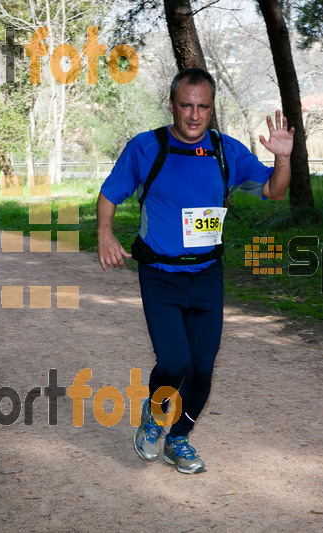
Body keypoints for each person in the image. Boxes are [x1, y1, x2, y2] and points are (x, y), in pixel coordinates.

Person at [96, 67, 293, 474]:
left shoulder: (226, 151)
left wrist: (283, 158)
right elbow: (109, 193)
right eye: (186, 105)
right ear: (172, 105)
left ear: (211, 108)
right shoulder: (146, 148)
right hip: (160, 277)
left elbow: (275, 190)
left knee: (202, 368)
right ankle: (154, 417)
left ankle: (179, 439)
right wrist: (104, 234)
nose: (194, 115)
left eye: (203, 106)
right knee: (174, 362)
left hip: (207, 277)